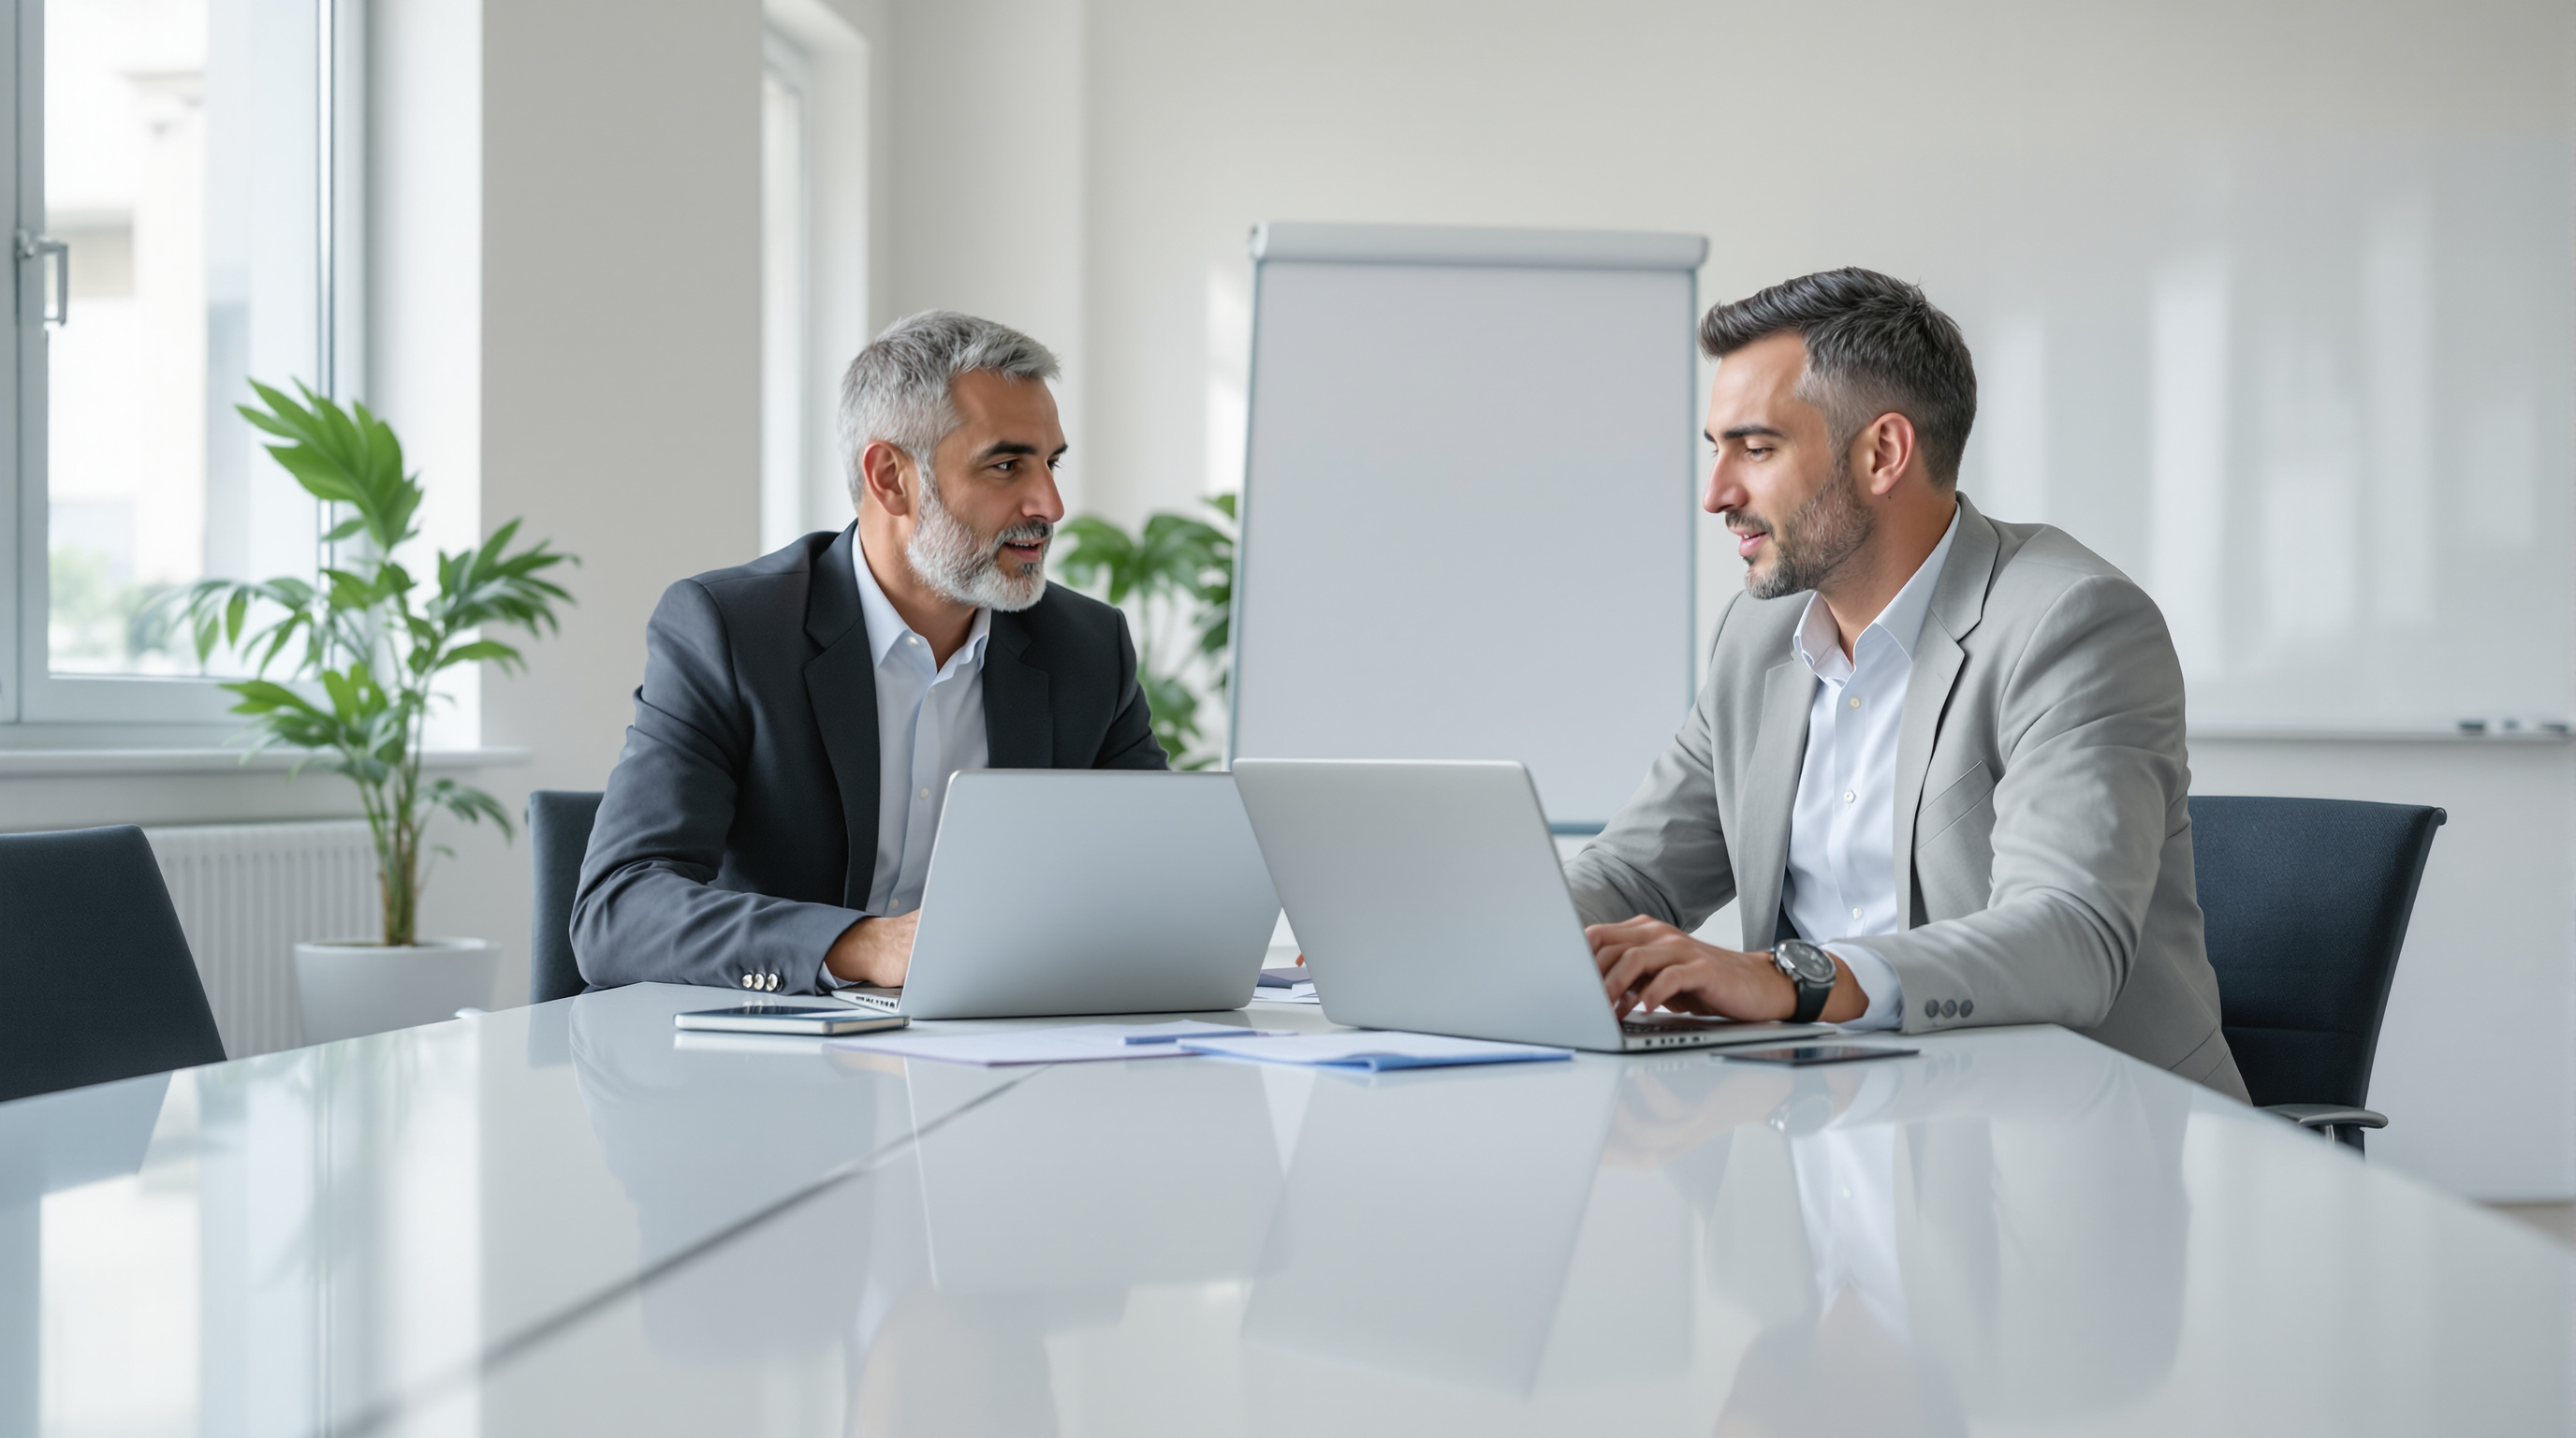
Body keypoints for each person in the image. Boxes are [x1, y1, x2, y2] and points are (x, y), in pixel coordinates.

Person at [1567, 268, 2247, 1099]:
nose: (1717, 495)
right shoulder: (1758, 638)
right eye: (1716, 450)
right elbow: (1634, 875)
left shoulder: (2072, 624)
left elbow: (2066, 936)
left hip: (2070, 1151)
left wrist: (1792, 979)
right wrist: (1498, 938)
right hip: (1828, 1132)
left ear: (1882, 453)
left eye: (1756, 448)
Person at [574, 312, 1165, 995]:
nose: (1051, 504)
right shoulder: (732, 633)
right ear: (891, 477)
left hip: (996, 1055)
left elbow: (1156, 876)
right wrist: (861, 945)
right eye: (1006, 465)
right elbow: (617, 910)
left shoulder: (1088, 649)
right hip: (765, 1069)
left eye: (1051, 463)